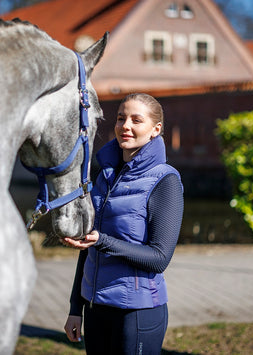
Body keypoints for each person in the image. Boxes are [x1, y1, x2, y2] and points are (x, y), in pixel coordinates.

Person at [62, 93, 184, 354]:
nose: (125, 126)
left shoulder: (165, 181)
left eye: (136, 120)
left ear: (156, 130)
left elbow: (159, 258)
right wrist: (76, 308)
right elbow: (89, 249)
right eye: (120, 118)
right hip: (96, 309)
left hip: (137, 314)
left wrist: (102, 241)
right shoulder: (104, 176)